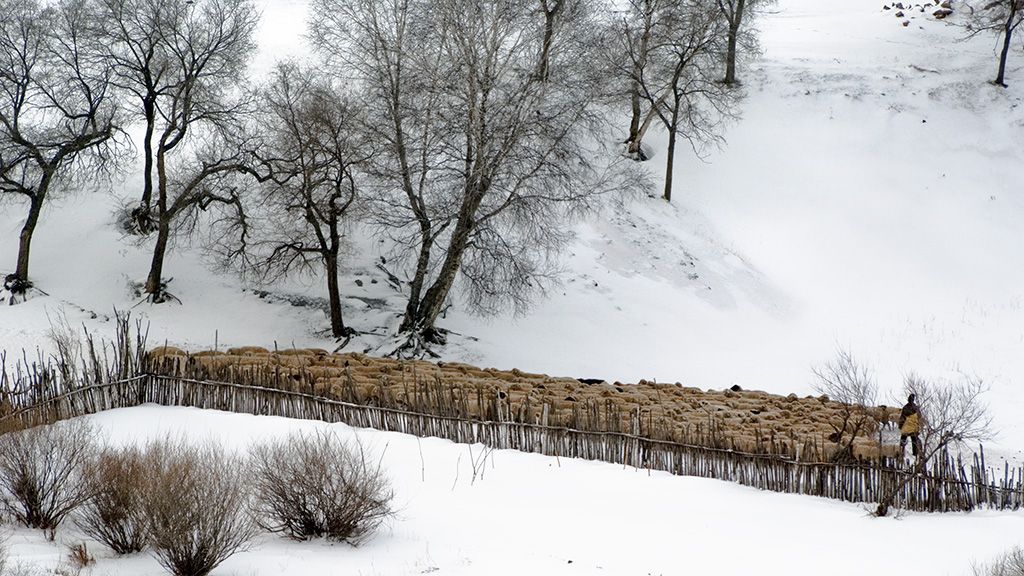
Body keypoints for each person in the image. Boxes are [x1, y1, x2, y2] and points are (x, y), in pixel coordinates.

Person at [898, 394, 922, 458]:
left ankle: (901, 451)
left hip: (906, 427)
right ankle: (915, 453)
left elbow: (902, 418)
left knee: (903, 439)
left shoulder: (905, 407)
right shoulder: (916, 407)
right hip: (914, 427)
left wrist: (900, 426)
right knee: (914, 440)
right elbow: (919, 416)